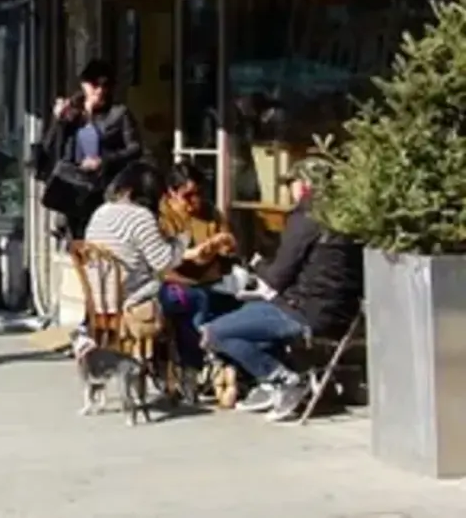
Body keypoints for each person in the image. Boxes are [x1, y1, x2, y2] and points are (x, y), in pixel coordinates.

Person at [200, 157, 364, 421]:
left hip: (302, 312)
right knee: (250, 317)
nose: (290, 190)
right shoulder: (347, 216)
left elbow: (278, 276)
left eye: (293, 183)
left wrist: (255, 264)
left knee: (214, 332)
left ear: (305, 185)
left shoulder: (306, 217)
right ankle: (269, 386)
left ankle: (282, 380)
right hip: (339, 313)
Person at [85, 162, 229, 313]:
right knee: (195, 297)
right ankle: (197, 336)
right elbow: (163, 264)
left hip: (98, 298)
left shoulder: (101, 211)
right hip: (131, 297)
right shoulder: (141, 216)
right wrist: (190, 248)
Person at [39, 59, 142, 239]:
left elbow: (135, 148)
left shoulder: (119, 113)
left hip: (103, 189)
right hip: (72, 187)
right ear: (84, 85)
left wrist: (105, 159)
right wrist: (58, 121)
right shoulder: (72, 112)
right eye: (94, 86)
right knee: (77, 244)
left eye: (105, 86)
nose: (99, 91)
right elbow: (50, 146)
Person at [157, 161, 239, 367]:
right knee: (193, 302)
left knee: (240, 306)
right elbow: (161, 258)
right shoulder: (160, 219)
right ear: (171, 193)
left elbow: (228, 245)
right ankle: (192, 366)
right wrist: (191, 254)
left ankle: (230, 368)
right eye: (188, 195)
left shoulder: (210, 212)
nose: (195, 201)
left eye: (199, 193)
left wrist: (226, 245)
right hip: (176, 280)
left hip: (212, 278)